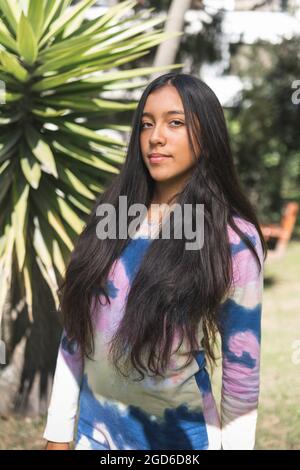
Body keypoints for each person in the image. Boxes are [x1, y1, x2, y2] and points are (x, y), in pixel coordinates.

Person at [43, 72, 267, 450]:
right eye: (146, 124)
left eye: (175, 123)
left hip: (182, 441)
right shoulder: (109, 218)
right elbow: (76, 332)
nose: (155, 137)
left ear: (208, 138)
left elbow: (241, 366)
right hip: (96, 438)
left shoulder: (231, 238)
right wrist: (58, 434)